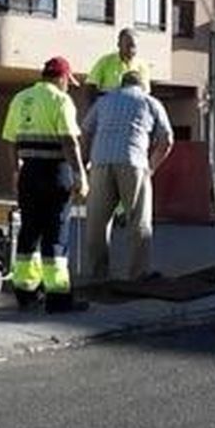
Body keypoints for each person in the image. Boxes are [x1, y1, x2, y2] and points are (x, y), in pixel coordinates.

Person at [2, 56, 88, 313]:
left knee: (29, 233)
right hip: (55, 174)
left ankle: (26, 294)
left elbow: (10, 139)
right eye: (68, 82)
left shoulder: (20, 98)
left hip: (29, 173)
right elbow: (69, 141)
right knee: (55, 236)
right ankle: (58, 298)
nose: (68, 87)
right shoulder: (61, 100)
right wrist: (80, 175)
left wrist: (16, 170)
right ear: (61, 77)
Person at [80, 70, 174, 284]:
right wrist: (151, 167)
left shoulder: (104, 102)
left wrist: (85, 159)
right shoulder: (150, 102)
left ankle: (98, 274)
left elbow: (85, 130)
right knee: (138, 220)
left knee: (97, 221)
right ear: (143, 85)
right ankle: (138, 274)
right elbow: (167, 139)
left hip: (101, 161)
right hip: (133, 162)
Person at [86, 27, 151, 102]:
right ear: (119, 44)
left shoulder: (142, 66)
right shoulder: (105, 62)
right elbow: (90, 87)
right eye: (128, 45)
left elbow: (145, 94)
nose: (131, 50)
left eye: (134, 46)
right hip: (108, 108)